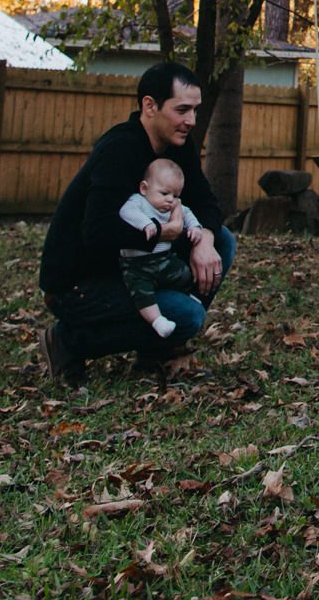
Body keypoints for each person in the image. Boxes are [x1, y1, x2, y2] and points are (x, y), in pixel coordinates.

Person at [39, 62, 235, 384]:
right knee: (187, 315)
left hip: (136, 264)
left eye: (195, 111)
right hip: (80, 282)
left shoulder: (176, 147)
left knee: (223, 240)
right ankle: (67, 341)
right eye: (182, 110)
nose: (191, 121)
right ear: (150, 106)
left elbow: (205, 201)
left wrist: (205, 240)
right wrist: (161, 233)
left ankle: (155, 352)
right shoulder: (119, 149)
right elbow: (97, 233)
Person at [117, 159, 204, 341]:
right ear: (144, 188)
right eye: (164, 193)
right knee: (141, 292)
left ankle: (188, 296)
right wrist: (147, 224)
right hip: (136, 265)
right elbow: (126, 212)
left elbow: (187, 213)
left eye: (175, 194)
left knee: (184, 273)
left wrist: (195, 227)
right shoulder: (138, 202)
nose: (170, 200)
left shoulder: (172, 205)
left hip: (164, 258)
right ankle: (157, 321)